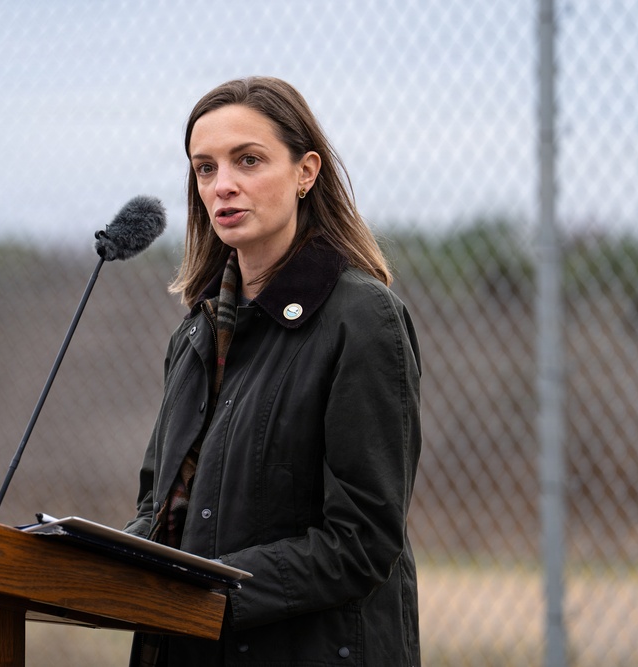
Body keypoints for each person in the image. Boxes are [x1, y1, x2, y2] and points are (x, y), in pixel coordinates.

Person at [124, 76, 422, 667]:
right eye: (205, 168)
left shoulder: (362, 319)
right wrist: (82, 558)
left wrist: (207, 592)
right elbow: (160, 511)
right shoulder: (195, 333)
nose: (222, 185)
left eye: (249, 160)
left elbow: (361, 541)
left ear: (305, 172)